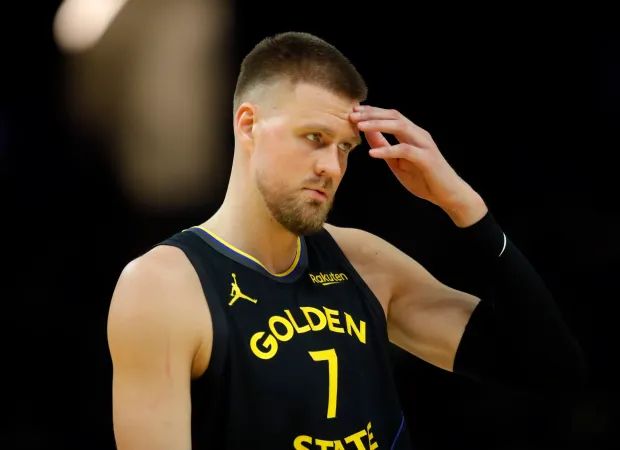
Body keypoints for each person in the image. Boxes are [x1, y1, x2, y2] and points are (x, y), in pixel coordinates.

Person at [107, 31, 586, 450]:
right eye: (314, 137)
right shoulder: (163, 286)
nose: (332, 167)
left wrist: (465, 206)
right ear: (248, 124)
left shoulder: (362, 260)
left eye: (345, 148)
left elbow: (554, 369)